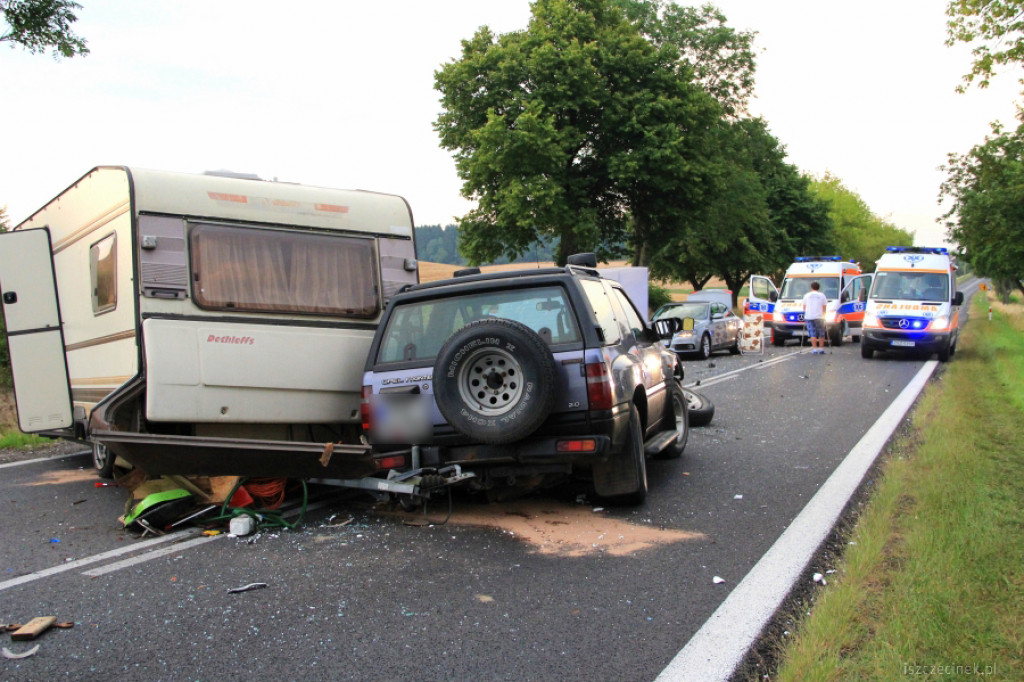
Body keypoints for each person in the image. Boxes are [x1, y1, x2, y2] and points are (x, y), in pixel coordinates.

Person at [802, 280, 828, 354]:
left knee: (812, 332)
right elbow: (824, 306)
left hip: (809, 316)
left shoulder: (807, 295)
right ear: (818, 288)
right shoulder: (822, 295)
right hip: (819, 316)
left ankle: (814, 349)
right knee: (821, 332)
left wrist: (806, 312)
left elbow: (804, 306)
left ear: (811, 287)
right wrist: (824, 313)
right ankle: (821, 349)